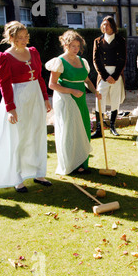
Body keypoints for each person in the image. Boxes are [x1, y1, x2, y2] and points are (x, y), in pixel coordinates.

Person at [0, 21, 52, 192]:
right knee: (17, 138)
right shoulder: (4, 57)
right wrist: (11, 108)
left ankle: (38, 172)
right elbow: (4, 83)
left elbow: (40, 77)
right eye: (20, 37)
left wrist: (45, 98)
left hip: (35, 96)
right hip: (18, 98)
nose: (25, 40)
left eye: (26, 36)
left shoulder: (33, 52)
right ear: (11, 38)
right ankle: (17, 178)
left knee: (36, 134)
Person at [46, 30, 101, 175]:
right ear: (65, 45)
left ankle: (82, 163)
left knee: (84, 129)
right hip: (66, 99)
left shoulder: (82, 61)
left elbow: (87, 80)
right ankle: (71, 165)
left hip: (80, 98)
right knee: (70, 131)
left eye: (78, 46)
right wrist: (72, 91)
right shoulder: (59, 61)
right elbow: (52, 85)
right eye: (73, 46)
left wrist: (95, 91)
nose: (76, 49)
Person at [92, 16, 127, 138]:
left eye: (107, 24)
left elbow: (123, 59)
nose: (105, 27)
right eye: (103, 24)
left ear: (113, 26)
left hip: (116, 75)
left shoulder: (120, 40)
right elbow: (96, 60)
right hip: (103, 75)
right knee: (99, 100)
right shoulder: (97, 41)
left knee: (115, 100)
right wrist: (105, 76)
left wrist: (115, 76)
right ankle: (99, 129)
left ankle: (112, 126)